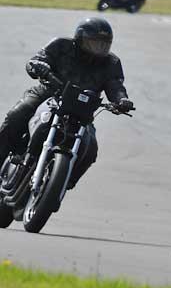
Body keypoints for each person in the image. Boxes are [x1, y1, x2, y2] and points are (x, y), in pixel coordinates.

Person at [0, 18, 134, 189]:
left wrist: (121, 100)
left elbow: (115, 86)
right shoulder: (61, 45)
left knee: (91, 149)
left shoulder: (112, 63)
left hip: (81, 108)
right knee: (16, 115)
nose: (99, 48)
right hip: (48, 93)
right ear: (80, 39)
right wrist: (39, 65)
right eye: (94, 43)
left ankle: (63, 183)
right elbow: (39, 58)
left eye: (103, 44)